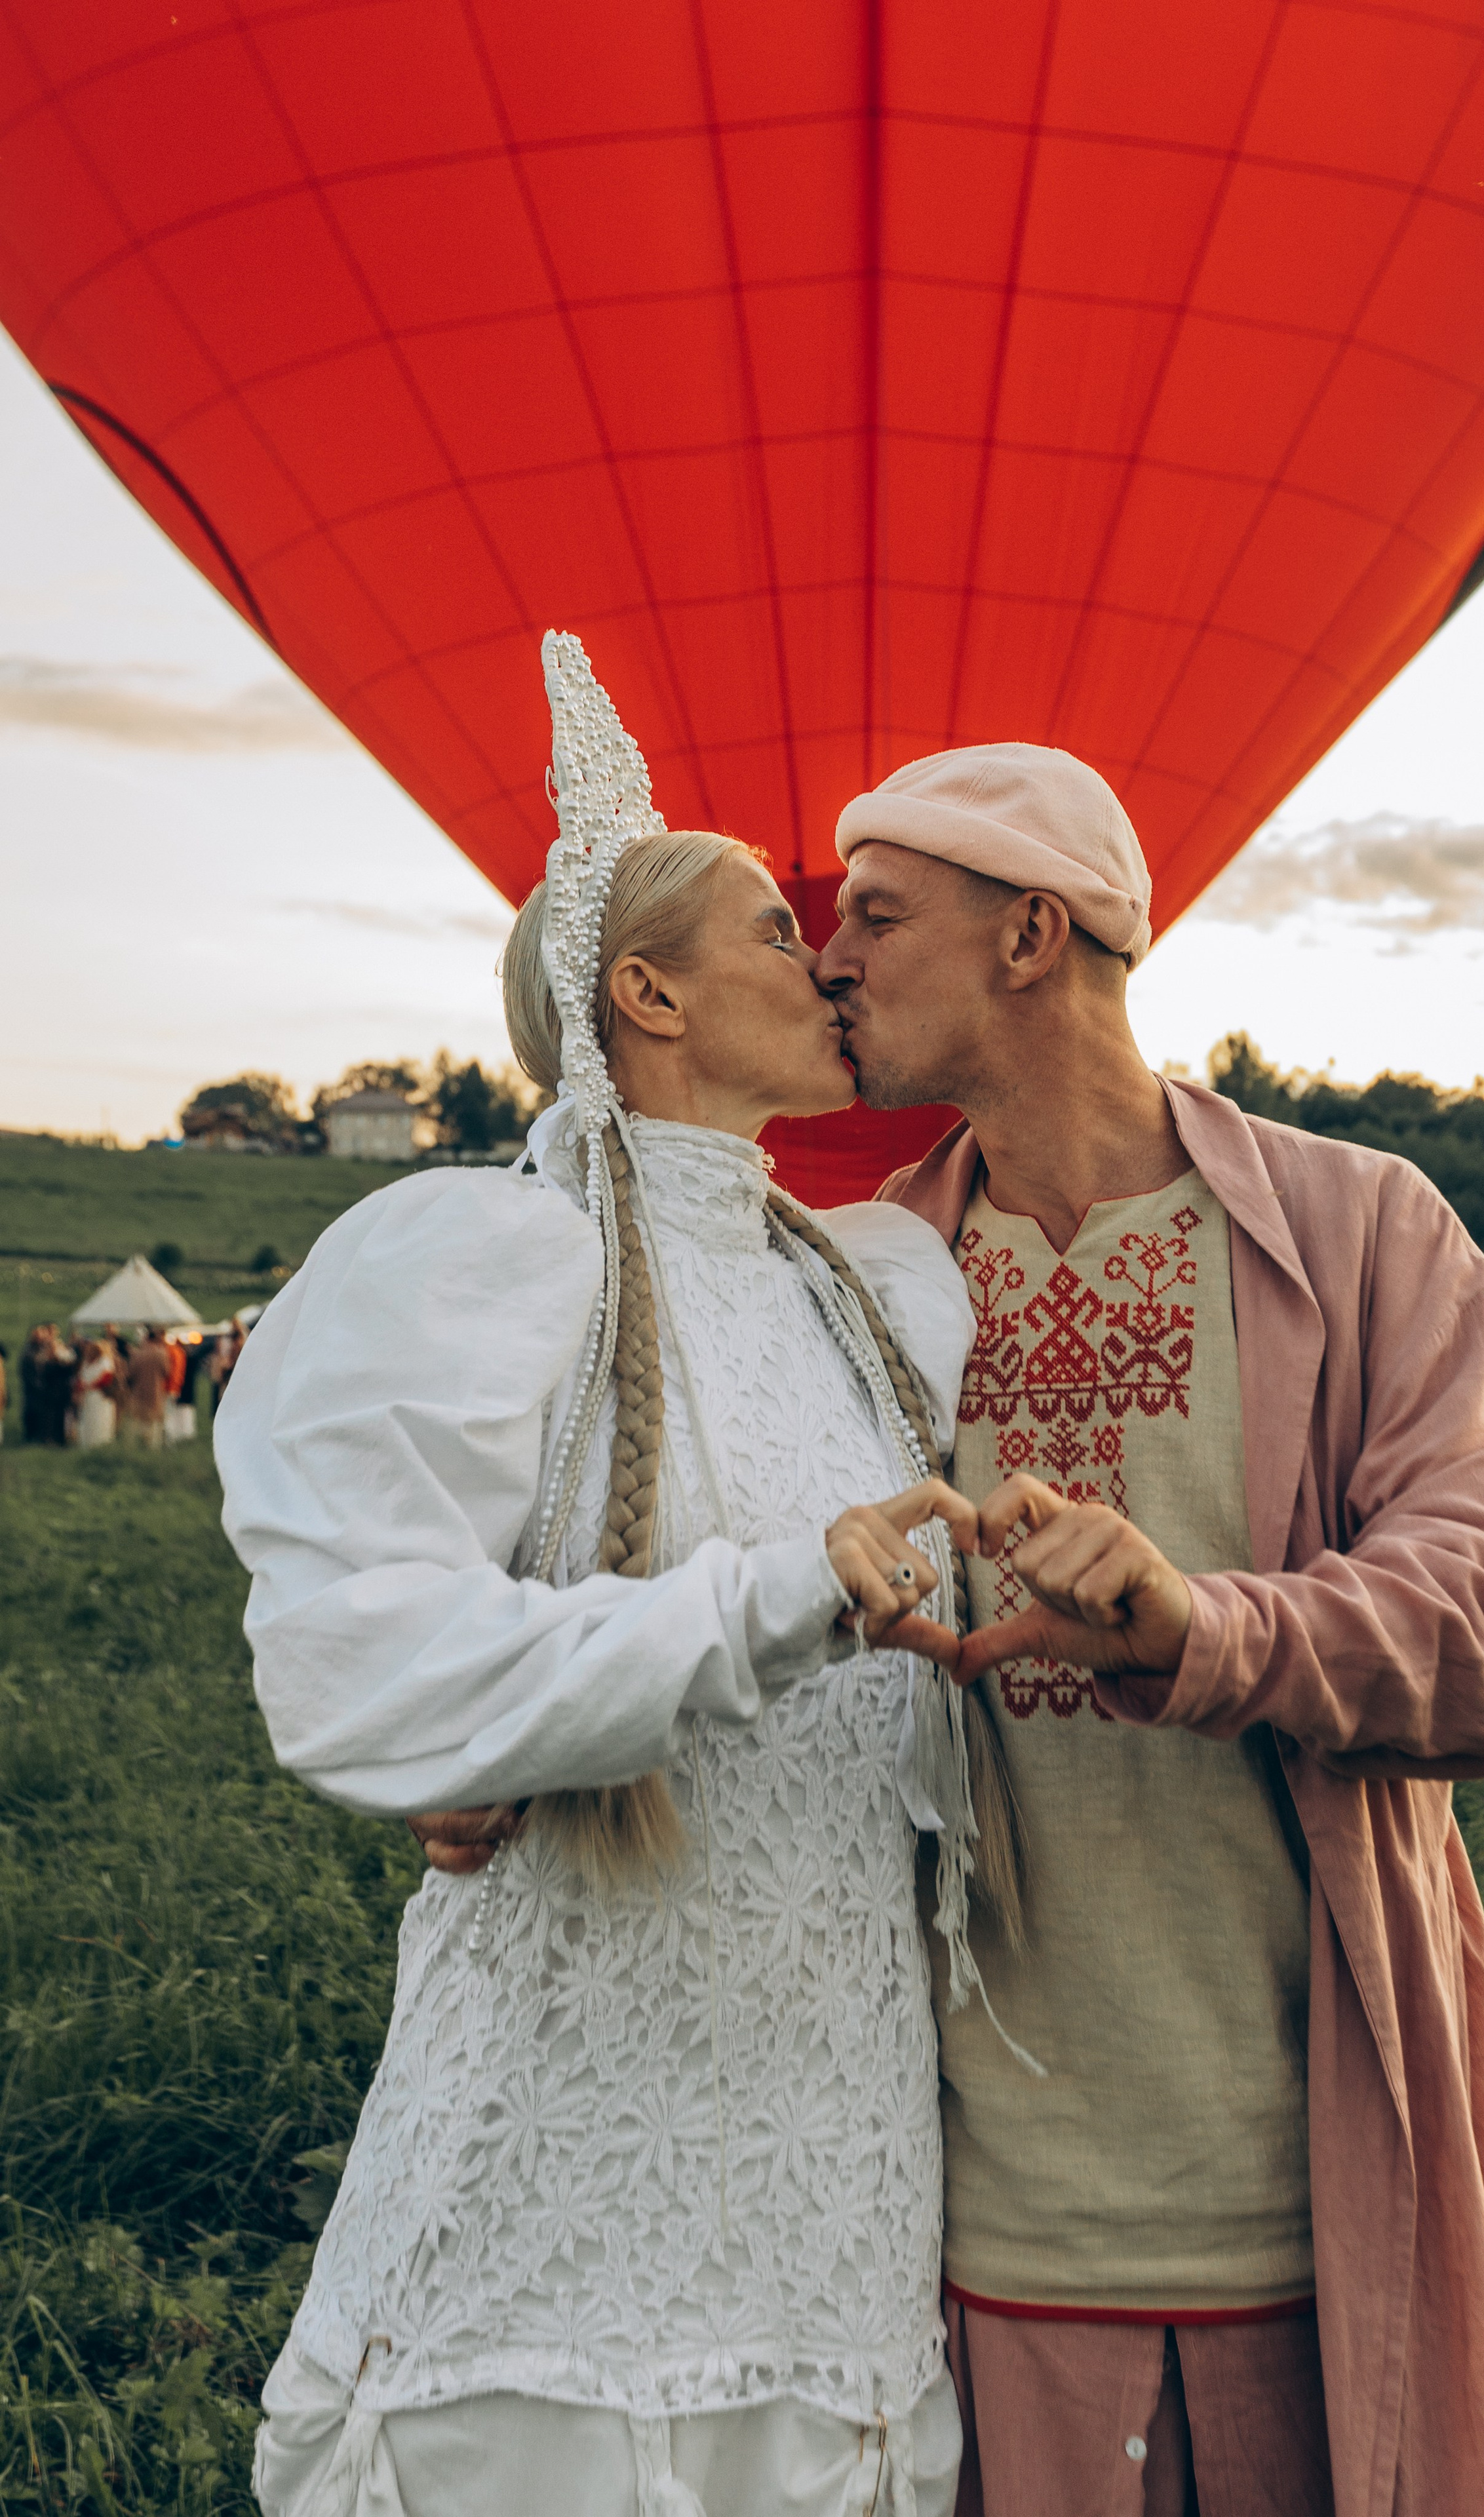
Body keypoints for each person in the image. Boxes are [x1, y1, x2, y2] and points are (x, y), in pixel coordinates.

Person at [215, 636, 1011, 2517]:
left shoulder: (880, 1291)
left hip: (844, 2129)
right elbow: (355, 1657)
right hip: (577, 2097)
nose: (818, 958)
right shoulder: (490, 1259)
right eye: (765, 928)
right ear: (641, 993)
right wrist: (751, 1607)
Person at [800, 743, 1484, 2517]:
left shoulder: (1363, 1232)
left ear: (1033, 936)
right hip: (964, 2224)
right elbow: (706, 1594)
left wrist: (1210, 1628)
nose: (832, 960)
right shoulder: (859, 1282)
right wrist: (506, 1769)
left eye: (877, 914)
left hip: (1307, 2209)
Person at [21, 1323, 75, 1444]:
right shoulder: (30, 1351)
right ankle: (36, 1438)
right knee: (38, 1416)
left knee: (54, 1417)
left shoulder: (56, 1356)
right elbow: (32, 1373)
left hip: (53, 1392)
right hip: (38, 1391)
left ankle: (53, 1439)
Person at [123, 1326, 173, 1449]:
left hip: (138, 1394)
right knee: (154, 1426)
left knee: (136, 1424)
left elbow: (130, 1375)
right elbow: (167, 1373)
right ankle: (152, 1450)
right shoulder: (161, 1354)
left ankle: (133, 1450)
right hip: (155, 1393)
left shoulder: (138, 1354)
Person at [73, 1336, 120, 1448]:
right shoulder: (87, 1364)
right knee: (90, 1417)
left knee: (99, 1417)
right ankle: (90, 1442)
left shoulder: (104, 1363)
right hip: (90, 1395)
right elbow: (81, 1379)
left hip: (99, 1395)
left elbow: (106, 1379)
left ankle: (100, 1442)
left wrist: (88, 1386)